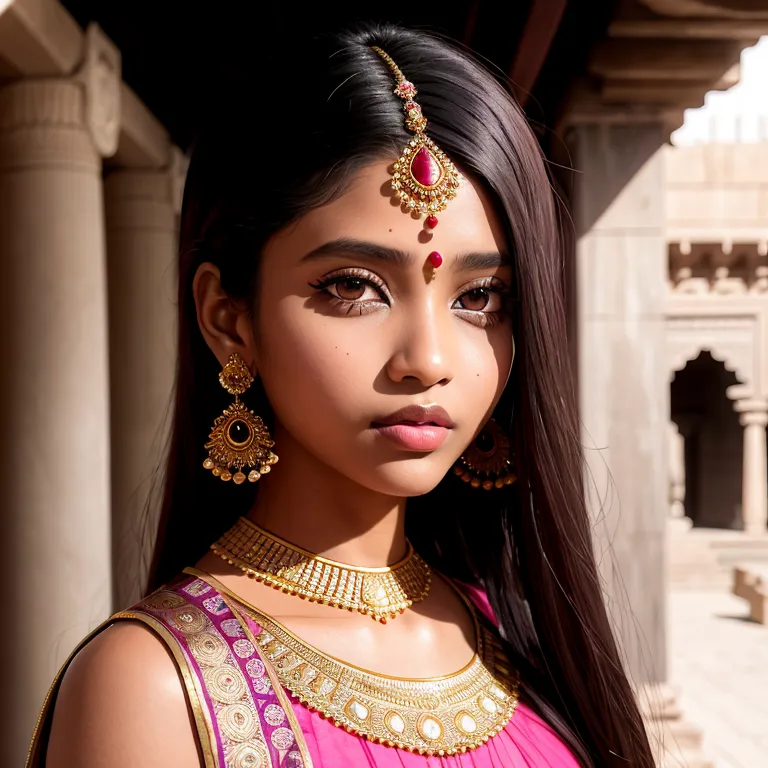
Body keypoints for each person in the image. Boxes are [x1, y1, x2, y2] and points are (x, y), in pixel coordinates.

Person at [28, 21, 655, 768]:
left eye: (481, 297)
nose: (428, 360)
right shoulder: (154, 689)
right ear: (230, 321)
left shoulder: (515, 634)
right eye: (354, 287)